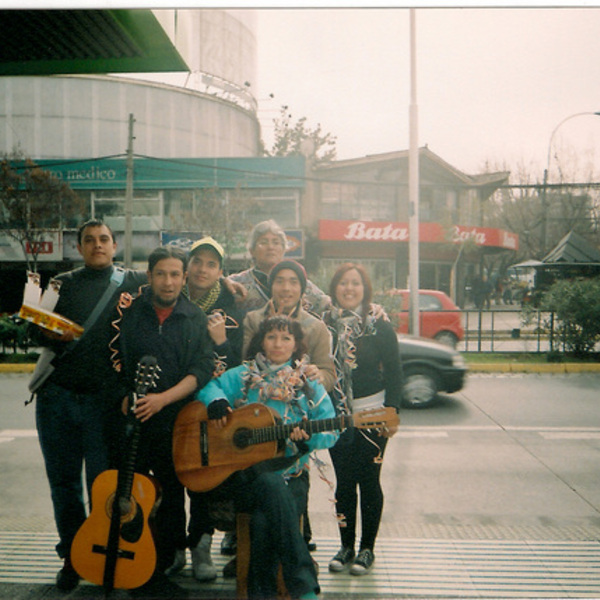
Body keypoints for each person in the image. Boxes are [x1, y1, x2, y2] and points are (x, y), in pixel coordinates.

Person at [30, 219, 147, 592]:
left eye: (104, 240)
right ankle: (71, 556)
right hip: (56, 400)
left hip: (104, 404)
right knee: (63, 484)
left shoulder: (132, 283)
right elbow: (33, 329)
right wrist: (49, 327)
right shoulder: (62, 283)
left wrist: (226, 284)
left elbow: (174, 280)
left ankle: (98, 555)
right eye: (89, 240)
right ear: (79, 247)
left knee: (101, 485)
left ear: (115, 246)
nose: (97, 245)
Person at [197, 315, 339, 600]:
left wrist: (308, 437)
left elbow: (331, 428)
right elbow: (207, 389)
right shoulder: (242, 375)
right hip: (245, 477)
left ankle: (260, 594)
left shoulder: (307, 383)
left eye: (286, 338)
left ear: (296, 345)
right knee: (269, 485)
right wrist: (218, 401)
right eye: (272, 336)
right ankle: (304, 586)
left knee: (264, 517)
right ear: (261, 341)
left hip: (293, 476)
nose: (278, 344)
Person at [112, 245, 214, 596]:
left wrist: (163, 400)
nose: (168, 282)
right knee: (135, 492)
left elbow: (199, 371)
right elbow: (120, 362)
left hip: (176, 420)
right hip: (136, 421)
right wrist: (127, 394)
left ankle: (170, 558)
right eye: (161, 274)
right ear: (150, 275)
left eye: (175, 274)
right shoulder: (132, 312)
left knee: (172, 493)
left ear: (184, 278)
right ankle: (135, 559)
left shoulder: (194, 317)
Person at [323, 263, 401, 576]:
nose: (349, 289)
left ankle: (367, 548)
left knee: (369, 480)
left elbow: (395, 371)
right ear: (334, 288)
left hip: (373, 413)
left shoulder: (379, 324)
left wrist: (393, 411)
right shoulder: (324, 324)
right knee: (343, 483)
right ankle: (346, 546)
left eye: (355, 283)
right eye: (343, 283)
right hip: (336, 415)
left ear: (364, 289)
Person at [182, 235, 245, 581]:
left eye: (211, 264)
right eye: (197, 262)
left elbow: (236, 369)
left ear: (221, 272)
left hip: (207, 408)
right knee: (168, 478)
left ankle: (200, 546)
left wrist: (221, 341)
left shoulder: (230, 311)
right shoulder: (170, 295)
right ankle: (172, 546)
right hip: (169, 404)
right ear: (187, 266)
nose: (202, 270)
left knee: (202, 480)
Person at [243, 259, 335, 393]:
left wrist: (319, 376)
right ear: (271, 287)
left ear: (302, 289)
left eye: (293, 282)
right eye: (279, 281)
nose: (286, 288)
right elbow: (244, 363)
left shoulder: (316, 327)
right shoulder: (253, 320)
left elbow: (329, 374)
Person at [228, 219, 330, 317]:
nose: (270, 247)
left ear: (284, 250)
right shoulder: (237, 283)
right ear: (251, 251)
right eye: (263, 242)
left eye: (276, 242)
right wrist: (223, 281)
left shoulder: (300, 284)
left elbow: (326, 304)